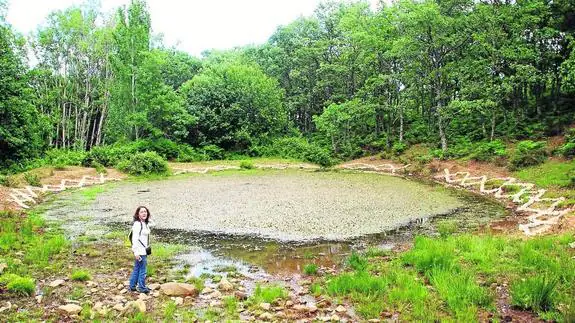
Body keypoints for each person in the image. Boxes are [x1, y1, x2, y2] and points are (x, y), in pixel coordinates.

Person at [129, 206, 152, 293]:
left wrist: (148, 219)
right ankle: (142, 288)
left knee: (137, 268)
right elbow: (135, 239)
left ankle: (132, 286)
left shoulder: (144, 224)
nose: (144, 213)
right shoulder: (137, 224)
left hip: (143, 251)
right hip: (140, 251)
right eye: (142, 212)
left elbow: (153, 224)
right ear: (138, 214)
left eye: (145, 212)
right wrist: (136, 252)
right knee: (143, 269)